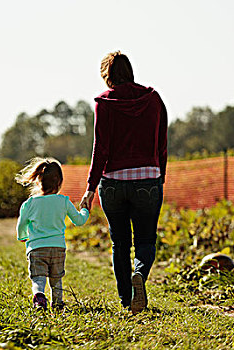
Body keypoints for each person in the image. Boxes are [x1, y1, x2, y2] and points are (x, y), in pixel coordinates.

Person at [80, 51, 167, 315]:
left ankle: (127, 301)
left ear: (107, 75)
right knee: (146, 241)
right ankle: (139, 274)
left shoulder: (104, 103)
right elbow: (162, 143)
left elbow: (100, 149)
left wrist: (90, 188)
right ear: (130, 71)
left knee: (120, 244)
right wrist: (159, 175)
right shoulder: (153, 99)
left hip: (113, 183)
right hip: (148, 180)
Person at [16, 157, 89, 310]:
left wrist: (23, 236)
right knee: (56, 279)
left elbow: (21, 224)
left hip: (36, 249)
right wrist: (85, 210)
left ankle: (39, 296)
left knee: (38, 278)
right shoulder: (63, 201)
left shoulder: (29, 203)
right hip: (58, 248)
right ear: (59, 182)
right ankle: (57, 304)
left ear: (37, 181)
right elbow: (79, 220)